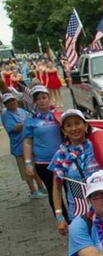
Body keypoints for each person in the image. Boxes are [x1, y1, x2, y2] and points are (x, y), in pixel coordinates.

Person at [47, 109, 101, 234]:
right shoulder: (60, 156)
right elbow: (56, 188)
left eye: (77, 123)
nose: (74, 128)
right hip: (78, 213)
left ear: (85, 125)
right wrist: (60, 216)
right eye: (69, 125)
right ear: (63, 130)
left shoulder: (98, 147)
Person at [23, 85, 60, 215]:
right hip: (44, 164)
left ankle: (75, 219)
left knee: (70, 190)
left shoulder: (58, 115)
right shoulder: (30, 119)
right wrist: (28, 163)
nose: (42, 101)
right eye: (38, 99)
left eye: (44, 97)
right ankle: (62, 218)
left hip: (63, 161)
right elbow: (27, 142)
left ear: (49, 98)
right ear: (34, 102)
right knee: (53, 191)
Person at [2, 93, 44, 199]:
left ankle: (41, 187)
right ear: (5, 104)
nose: (12, 103)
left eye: (13, 100)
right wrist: (26, 123)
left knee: (36, 167)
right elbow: (14, 128)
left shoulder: (21, 111)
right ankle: (33, 191)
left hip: (30, 143)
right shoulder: (6, 115)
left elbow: (32, 117)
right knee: (26, 171)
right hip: (19, 147)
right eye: (9, 102)